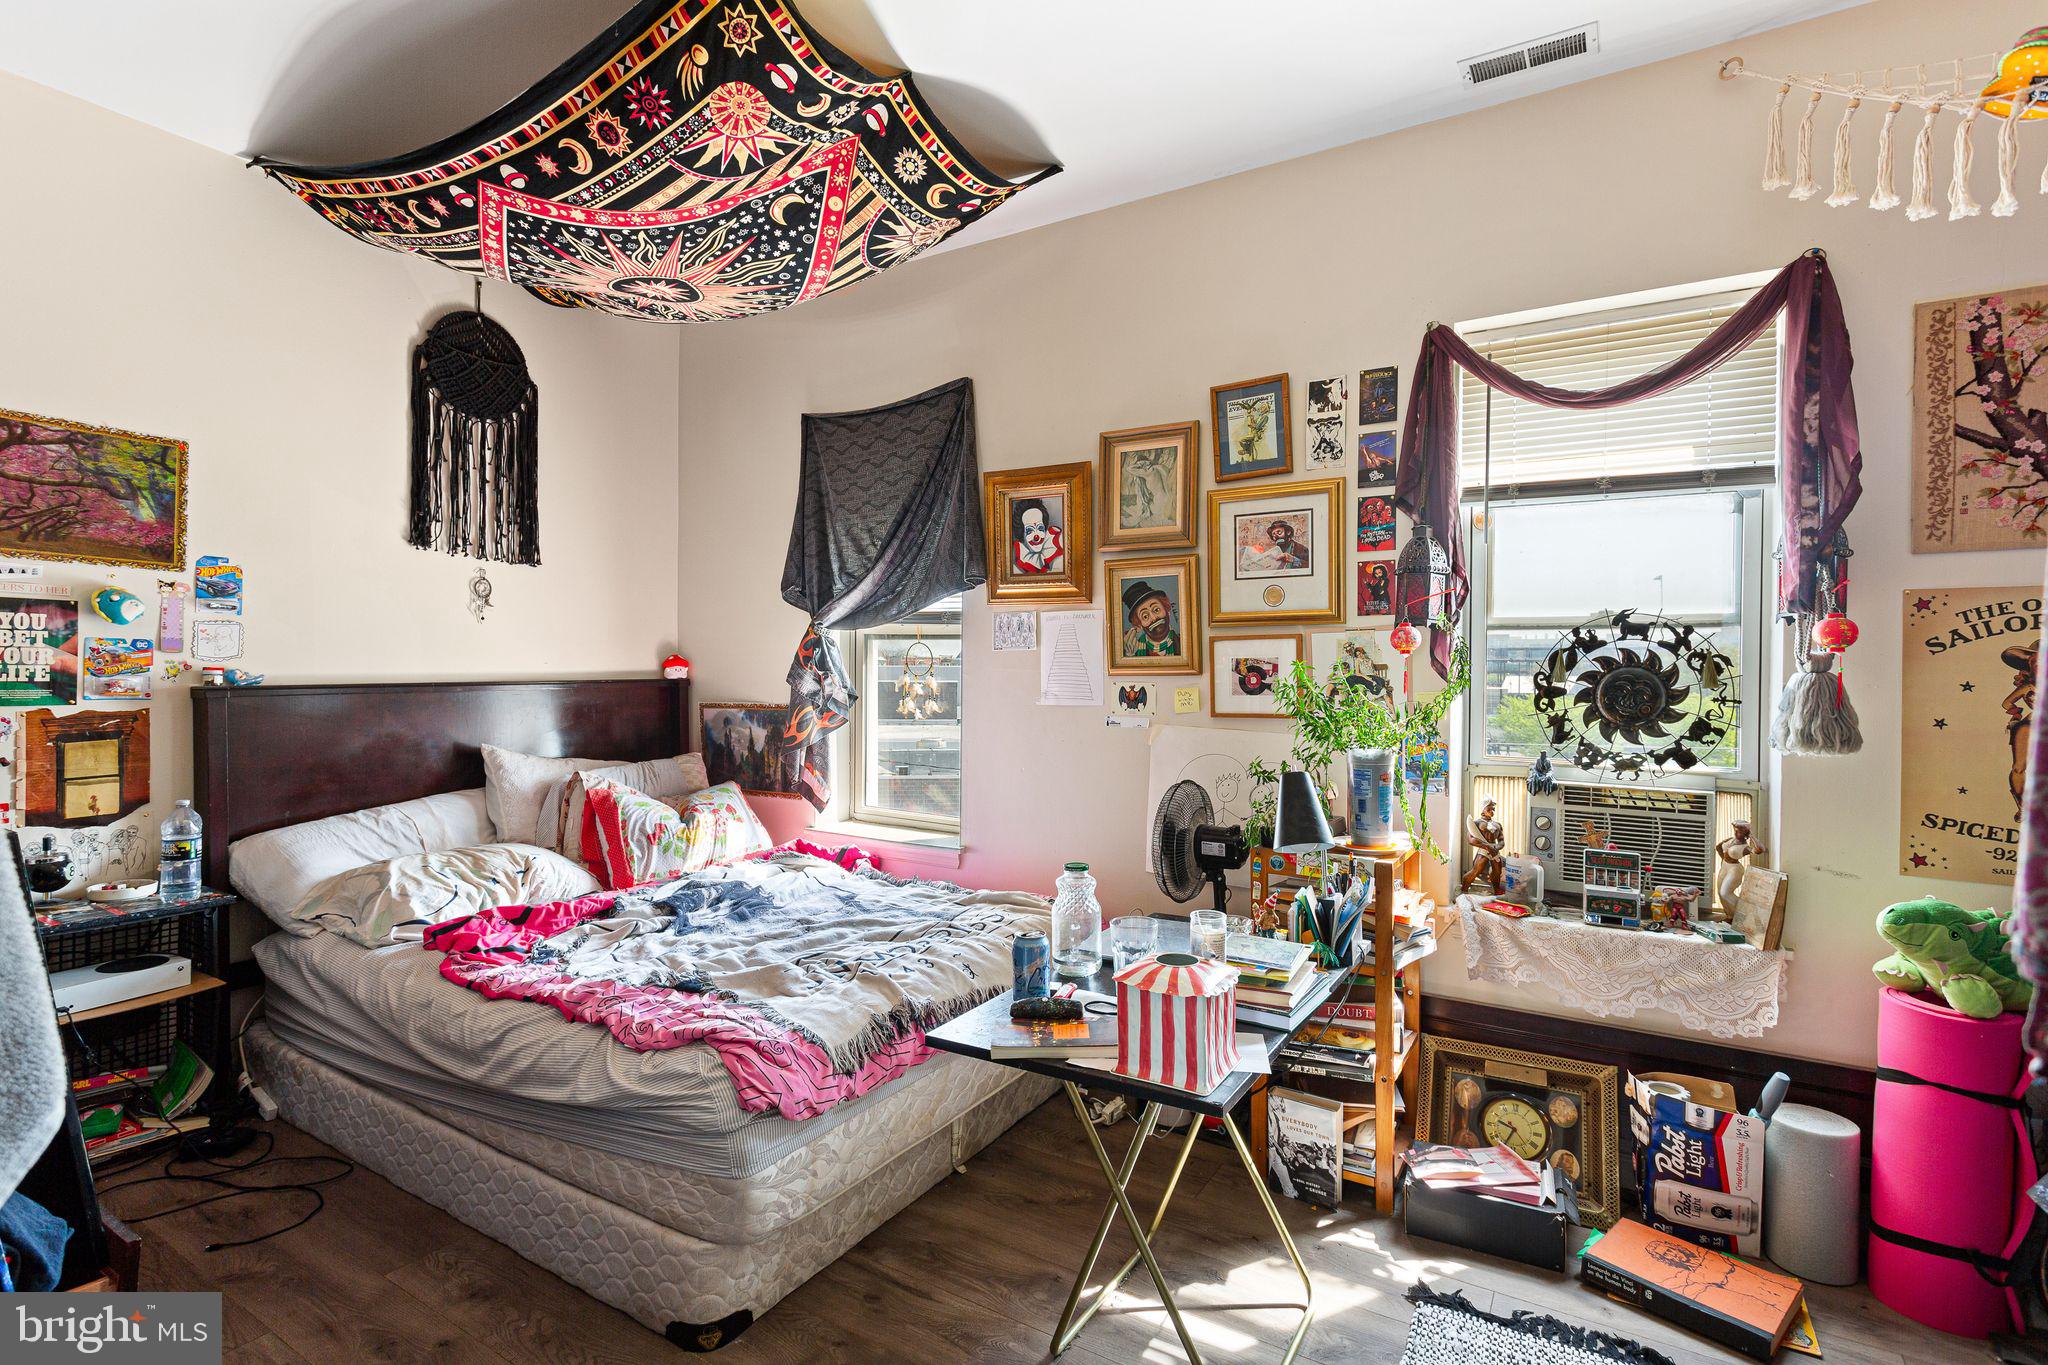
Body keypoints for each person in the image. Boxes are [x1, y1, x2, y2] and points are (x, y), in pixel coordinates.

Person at [1120, 579, 1181, 658]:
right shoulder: (1134, 651)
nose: (1154, 618)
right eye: (1145, 616)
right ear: (1139, 625)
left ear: (1167, 609)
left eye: (1156, 610)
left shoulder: (1182, 643)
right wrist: (1130, 656)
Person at [1461, 799, 1506, 895]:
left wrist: (1496, 847)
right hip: (1483, 851)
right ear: (1483, 810)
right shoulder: (1476, 823)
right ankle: (1464, 890)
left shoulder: (1497, 825)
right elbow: (1471, 840)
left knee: (1497, 873)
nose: (1492, 811)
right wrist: (1486, 846)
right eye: (1489, 809)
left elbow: (1501, 841)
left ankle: (1496, 891)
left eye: (1493, 809)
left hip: (1495, 851)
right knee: (1475, 871)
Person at [1012, 498, 1063, 575]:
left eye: (1040, 528)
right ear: (1021, 533)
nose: (1037, 536)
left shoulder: (1056, 543)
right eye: (1030, 531)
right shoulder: (1016, 564)